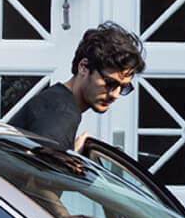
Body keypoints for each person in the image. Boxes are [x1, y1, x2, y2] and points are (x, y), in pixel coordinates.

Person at [8, 21, 145, 153]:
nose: (115, 94)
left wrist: (69, 156)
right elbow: (41, 174)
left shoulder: (55, 101)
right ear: (84, 67)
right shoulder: (61, 114)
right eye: (110, 83)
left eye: (124, 87)